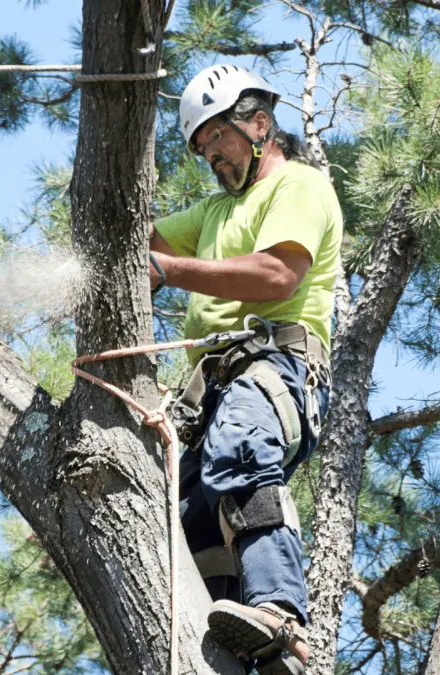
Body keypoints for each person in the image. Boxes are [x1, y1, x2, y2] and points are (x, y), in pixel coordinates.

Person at [148, 64, 343, 675]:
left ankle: (280, 612)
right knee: (191, 514)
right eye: (202, 149)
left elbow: (276, 275)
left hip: (273, 364)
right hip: (205, 392)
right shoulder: (210, 213)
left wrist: (170, 271)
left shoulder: (299, 187)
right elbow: (141, 242)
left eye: (218, 139)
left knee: (239, 448)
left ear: (259, 123)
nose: (211, 157)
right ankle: (240, 640)